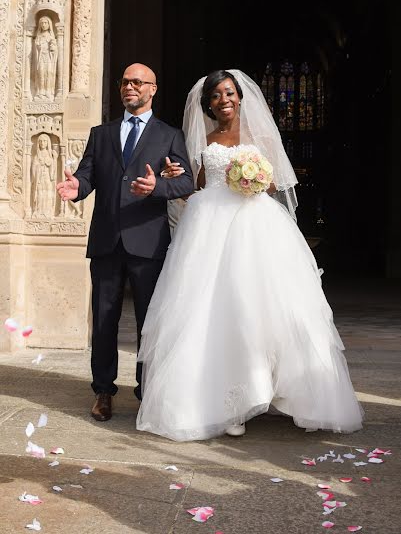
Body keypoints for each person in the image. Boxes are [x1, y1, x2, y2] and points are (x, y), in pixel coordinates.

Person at [136, 69, 363, 441]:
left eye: (228, 93)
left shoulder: (260, 136)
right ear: (207, 103)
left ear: (240, 96)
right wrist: (174, 177)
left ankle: (290, 392)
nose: (223, 100)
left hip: (255, 227)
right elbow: (197, 187)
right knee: (216, 311)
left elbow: (276, 183)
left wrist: (253, 176)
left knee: (267, 309)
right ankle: (230, 403)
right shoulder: (205, 140)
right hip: (209, 229)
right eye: (215, 96)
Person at [56, 63, 194, 421]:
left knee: (150, 320)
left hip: (148, 243)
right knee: (104, 320)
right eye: (124, 82)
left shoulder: (169, 135)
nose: (129, 87)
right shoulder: (101, 134)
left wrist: (157, 187)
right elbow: (87, 176)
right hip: (106, 241)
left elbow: (186, 183)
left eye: (137, 82)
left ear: (153, 89)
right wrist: (76, 188)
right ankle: (103, 390)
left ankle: (147, 390)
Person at [32, 133, 58, 217]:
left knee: (48, 193)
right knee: (40, 193)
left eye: (44, 141)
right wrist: (38, 166)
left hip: (47, 177)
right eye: (41, 141)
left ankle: (47, 211)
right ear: (38, 143)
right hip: (39, 178)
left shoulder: (49, 154)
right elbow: (33, 167)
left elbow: (53, 169)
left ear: (48, 143)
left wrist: (54, 159)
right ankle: (38, 211)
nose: (42, 143)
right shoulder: (37, 155)